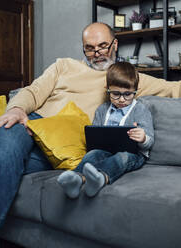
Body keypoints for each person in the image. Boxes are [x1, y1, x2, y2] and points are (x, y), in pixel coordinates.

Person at [0, 22, 181, 247]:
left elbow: (175, 88)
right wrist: (16, 109)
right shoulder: (64, 66)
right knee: (7, 133)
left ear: (115, 44)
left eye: (103, 46)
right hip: (31, 128)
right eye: (90, 48)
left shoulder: (123, 79)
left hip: (60, 150)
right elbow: (32, 91)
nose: (97, 53)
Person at [57, 62, 154, 199]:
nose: (121, 99)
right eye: (115, 94)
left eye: (127, 94)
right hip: (105, 151)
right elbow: (95, 135)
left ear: (135, 91)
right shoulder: (102, 110)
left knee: (121, 158)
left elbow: (149, 141)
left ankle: (100, 178)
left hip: (133, 155)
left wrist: (143, 138)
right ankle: (76, 180)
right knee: (92, 155)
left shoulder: (140, 109)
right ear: (107, 89)